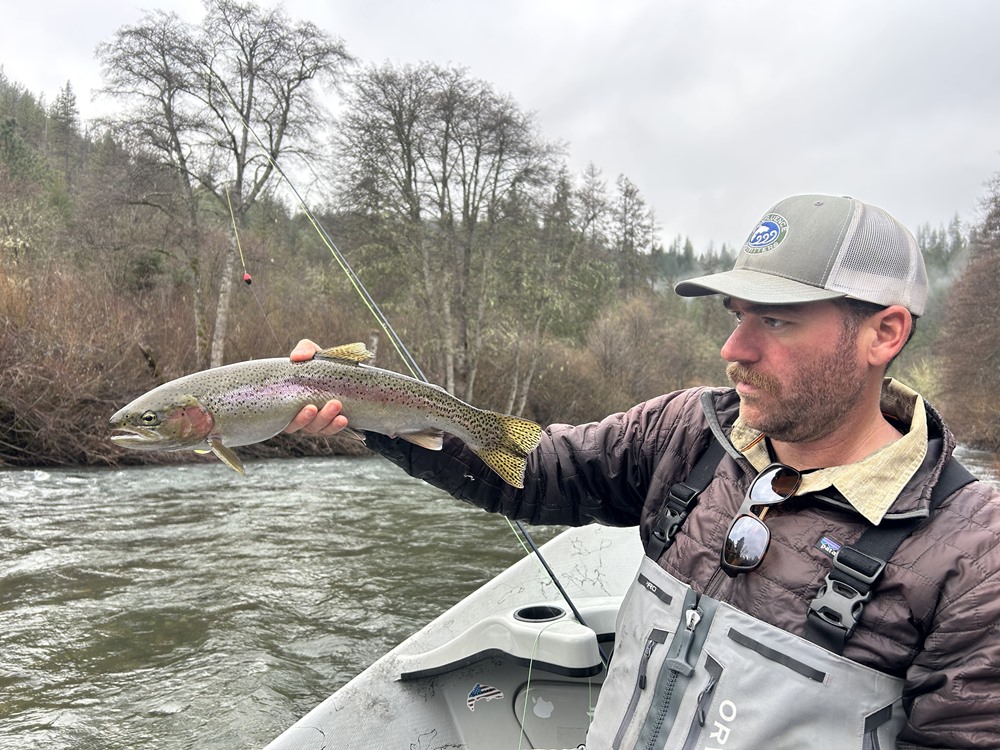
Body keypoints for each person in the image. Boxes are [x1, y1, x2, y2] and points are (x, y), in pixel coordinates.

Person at [285, 194, 1000, 749]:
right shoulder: (691, 428)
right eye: (736, 314)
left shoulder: (975, 557)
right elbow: (534, 471)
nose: (734, 348)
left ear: (886, 333)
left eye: (775, 322)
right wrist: (372, 409)